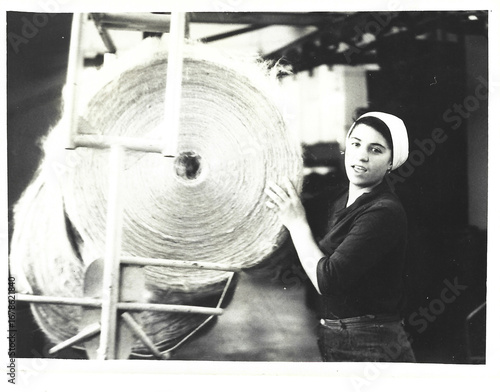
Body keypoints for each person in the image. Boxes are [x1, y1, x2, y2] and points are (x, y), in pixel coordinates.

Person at [265, 111, 416, 362]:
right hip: (340, 337)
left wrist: (297, 223)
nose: (362, 156)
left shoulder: (383, 211)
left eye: (376, 150)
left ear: (392, 161)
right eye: (356, 144)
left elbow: (328, 281)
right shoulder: (340, 200)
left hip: (371, 343)